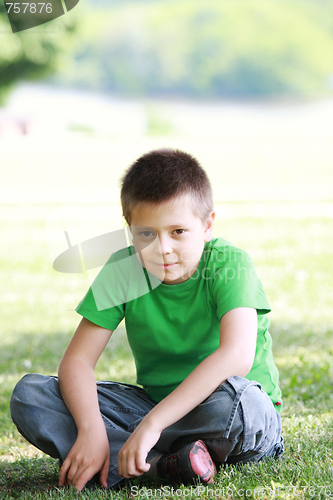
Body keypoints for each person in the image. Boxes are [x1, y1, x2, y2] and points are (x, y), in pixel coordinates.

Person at [10, 148, 283, 492]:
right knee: (31, 396)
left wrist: (152, 425)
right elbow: (77, 362)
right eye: (146, 234)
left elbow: (236, 357)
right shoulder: (122, 270)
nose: (163, 248)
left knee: (243, 404)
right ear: (130, 230)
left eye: (178, 231)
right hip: (155, 409)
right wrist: (91, 428)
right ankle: (165, 465)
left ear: (207, 225)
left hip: (225, 410)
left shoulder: (231, 264)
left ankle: (136, 455)